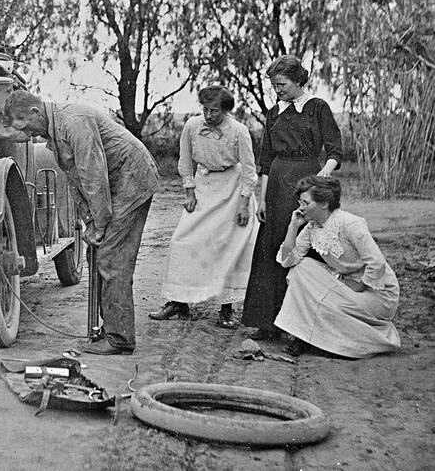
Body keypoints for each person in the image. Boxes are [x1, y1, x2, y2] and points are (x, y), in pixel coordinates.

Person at [3, 90, 160, 355]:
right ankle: (110, 329)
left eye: (27, 127)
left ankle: (119, 338)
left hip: (131, 180)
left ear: (35, 112)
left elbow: (93, 177)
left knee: (111, 258)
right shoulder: (55, 130)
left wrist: (100, 223)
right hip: (115, 182)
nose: (28, 135)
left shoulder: (74, 122)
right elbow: (77, 181)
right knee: (97, 255)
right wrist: (90, 220)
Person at [241, 55, 343, 340]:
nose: (277, 90)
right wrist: (263, 199)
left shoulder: (317, 108)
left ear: (299, 81)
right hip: (276, 184)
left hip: (307, 181)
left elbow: (335, 150)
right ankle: (267, 322)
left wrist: (324, 172)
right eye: (274, 85)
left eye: (282, 84)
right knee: (272, 247)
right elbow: (265, 160)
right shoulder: (274, 112)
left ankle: (300, 326)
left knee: (305, 246)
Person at [149, 85, 258, 328]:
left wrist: (244, 204)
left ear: (226, 110)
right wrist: (189, 191)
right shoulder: (192, 126)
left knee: (226, 247)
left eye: (214, 111)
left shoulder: (239, 131)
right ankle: (178, 302)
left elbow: (249, 171)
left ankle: (226, 308)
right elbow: (185, 160)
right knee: (182, 241)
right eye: (205, 109)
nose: (208, 115)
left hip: (231, 189)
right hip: (203, 185)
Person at [274, 176, 400, 358]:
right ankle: (304, 336)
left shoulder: (350, 223)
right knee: (301, 268)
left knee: (322, 300)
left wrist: (359, 285)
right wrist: (293, 226)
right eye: (300, 202)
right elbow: (288, 261)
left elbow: (377, 262)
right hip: (346, 284)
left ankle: (327, 341)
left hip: (377, 293)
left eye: (305, 203)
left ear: (324, 203)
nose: (300, 208)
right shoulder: (312, 227)